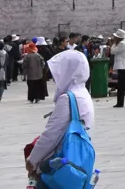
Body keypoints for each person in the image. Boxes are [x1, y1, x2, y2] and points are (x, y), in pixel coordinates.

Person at [25, 49, 95, 188]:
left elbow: (52, 134)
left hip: (59, 163)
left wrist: (32, 160)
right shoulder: (83, 93)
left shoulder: (67, 99)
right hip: (77, 159)